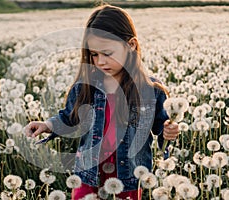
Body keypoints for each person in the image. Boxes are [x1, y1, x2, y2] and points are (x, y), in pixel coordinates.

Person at [25, 4, 179, 200]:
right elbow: (69, 117)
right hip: (89, 173)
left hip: (130, 174)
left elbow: (162, 129)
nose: (100, 62)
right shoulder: (85, 86)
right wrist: (47, 125)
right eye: (94, 55)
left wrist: (169, 131)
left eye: (107, 53)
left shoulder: (151, 91)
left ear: (131, 45)